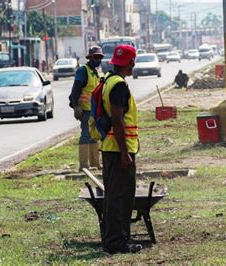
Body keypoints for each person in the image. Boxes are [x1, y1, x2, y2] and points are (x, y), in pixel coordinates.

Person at [100, 44, 141, 254]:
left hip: (111, 147)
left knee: (114, 195)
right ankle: (116, 243)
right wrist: (125, 152)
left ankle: (115, 239)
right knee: (121, 196)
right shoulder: (119, 87)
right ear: (131, 62)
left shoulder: (109, 80)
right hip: (118, 150)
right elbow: (117, 121)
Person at [68, 46, 104, 170]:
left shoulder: (96, 72)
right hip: (86, 110)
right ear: (90, 58)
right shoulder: (83, 71)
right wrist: (76, 107)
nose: (98, 60)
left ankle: (95, 163)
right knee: (85, 135)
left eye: (100, 57)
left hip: (95, 111)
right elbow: (75, 90)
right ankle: (83, 165)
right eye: (95, 57)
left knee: (95, 135)